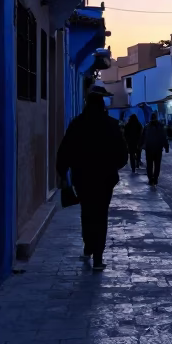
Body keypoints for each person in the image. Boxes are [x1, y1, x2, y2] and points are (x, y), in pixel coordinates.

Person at [56, 89, 128, 271]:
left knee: (87, 212)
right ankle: (98, 257)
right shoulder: (111, 125)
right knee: (101, 215)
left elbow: (65, 150)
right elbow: (122, 154)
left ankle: (88, 246)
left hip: (83, 177)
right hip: (105, 178)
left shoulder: (77, 124)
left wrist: (63, 174)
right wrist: (112, 167)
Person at [142, 111, 170, 186]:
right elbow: (164, 137)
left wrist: (141, 146)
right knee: (157, 165)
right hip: (158, 148)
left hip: (149, 149)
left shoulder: (147, 127)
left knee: (149, 165)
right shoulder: (161, 126)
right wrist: (166, 146)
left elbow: (143, 137)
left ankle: (151, 179)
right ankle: (156, 179)